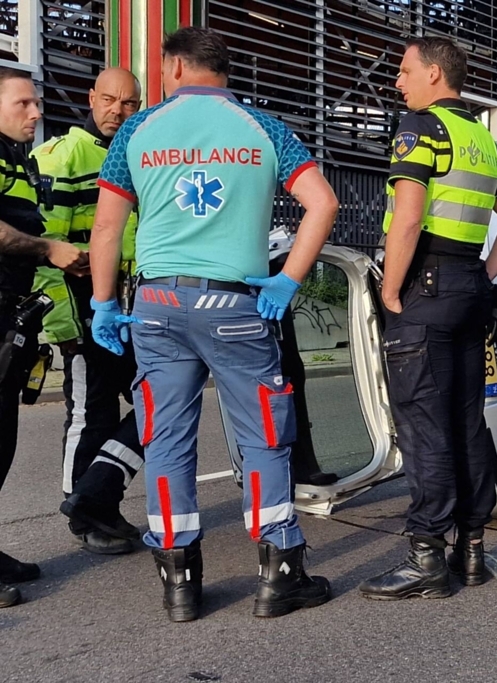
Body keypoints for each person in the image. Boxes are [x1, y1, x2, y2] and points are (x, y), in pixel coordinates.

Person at [88, 27, 339, 622]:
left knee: (166, 441)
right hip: (236, 307)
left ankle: (180, 584)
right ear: (223, 71)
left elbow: (106, 229)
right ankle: (279, 576)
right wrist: (289, 279)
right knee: (263, 438)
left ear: (174, 67)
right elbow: (323, 203)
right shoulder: (264, 128)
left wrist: (102, 303)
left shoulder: (137, 130)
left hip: (157, 306)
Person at [358, 37, 497, 600]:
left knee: (425, 427)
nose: (398, 82)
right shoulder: (481, 138)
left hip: (425, 292)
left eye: (405, 71)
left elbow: (406, 220)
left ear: (434, 74)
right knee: (466, 422)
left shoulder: (421, 127)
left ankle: (427, 557)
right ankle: (472, 551)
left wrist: (389, 290)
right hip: (468, 292)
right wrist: (485, 272)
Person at [32, 68, 144, 556]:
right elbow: (43, 248)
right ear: (91, 98)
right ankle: (84, 514)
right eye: (110, 100)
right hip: (80, 308)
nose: (117, 111)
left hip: (124, 304)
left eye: (129, 103)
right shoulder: (66, 155)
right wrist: (64, 326)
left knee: (154, 401)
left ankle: (97, 497)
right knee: (90, 412)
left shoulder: (129, 156)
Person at [0, 68, 88, 607]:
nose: (36, 112)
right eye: (23, 103)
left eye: (36, 102)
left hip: (11, 315)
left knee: (2, 445)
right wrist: (49, 249)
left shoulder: (18, 158)